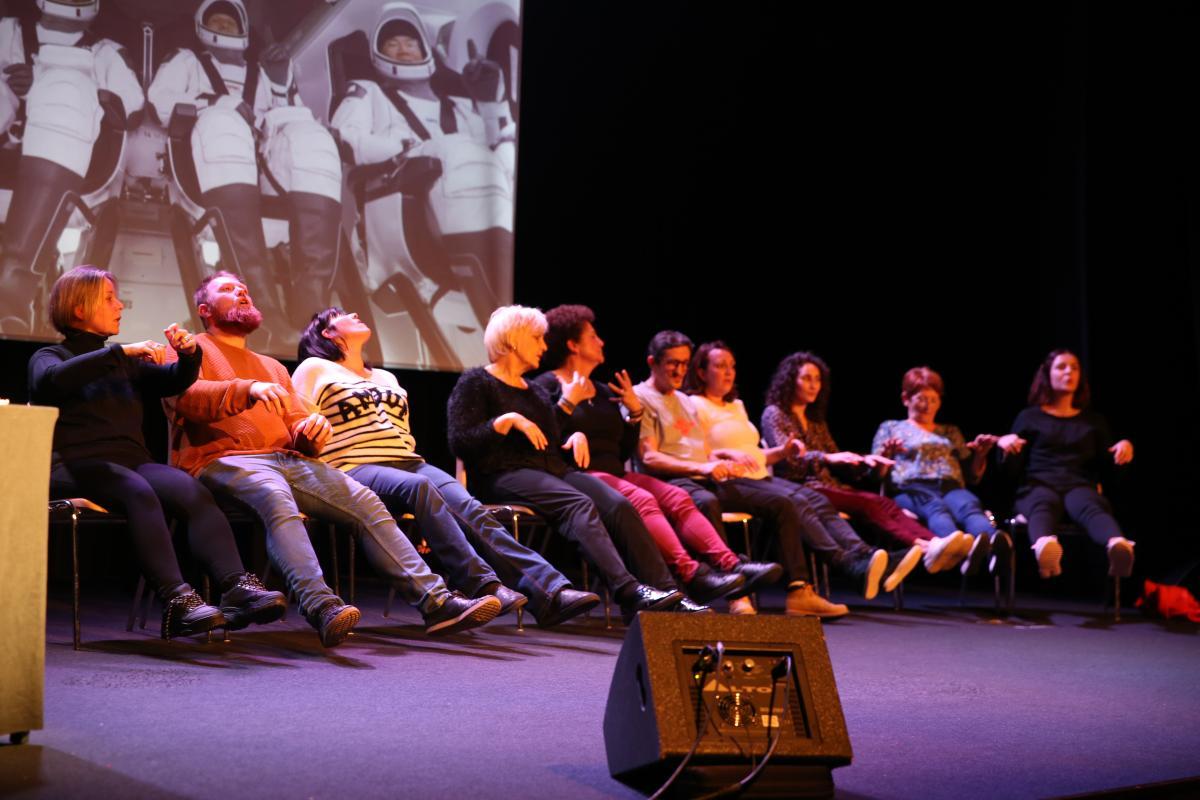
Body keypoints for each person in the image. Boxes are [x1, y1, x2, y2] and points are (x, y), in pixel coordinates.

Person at [164, 271, 500, 647]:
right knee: (276, 496)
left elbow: (296, 425)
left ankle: (436, 602)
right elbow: (186, 399)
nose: (242, 292)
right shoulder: (188, 350)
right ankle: (321, 605)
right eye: (228, 289)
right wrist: (247, 389)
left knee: (365, 501)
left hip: (288, 459)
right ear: (205, 309)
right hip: (225, 459)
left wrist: (311, 433)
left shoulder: (273, 367)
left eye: (244, 288)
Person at [291, 307, 600, 628]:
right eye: (342, 314)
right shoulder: (314, 369)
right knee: (420, 488)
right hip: (354, 465)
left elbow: (400, 434)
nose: (355, 313)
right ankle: (483, 584)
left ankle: (549, 592)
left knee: (470, 508)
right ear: (327, 332)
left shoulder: (385, 377)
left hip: (407, 461)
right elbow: (299, 425)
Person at [29, 265, 286, 640]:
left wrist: (188, 356)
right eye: (109, 298)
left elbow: (173, 381)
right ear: (79, 308)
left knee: (190, 489)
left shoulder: (124, 363)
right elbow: (50, 381)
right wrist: (120, 352)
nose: (120, 305)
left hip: (130, 462)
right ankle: (177, 600)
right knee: (136, 490)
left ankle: (237, 587)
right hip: (74, 464)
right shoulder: (50, 355)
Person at [447, 305, 695, 624]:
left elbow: (550, 439)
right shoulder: (477, 382)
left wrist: (573, 434)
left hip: (550, 469)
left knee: (619, 505)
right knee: (577, 503)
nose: (543, 345)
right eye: (537, 338)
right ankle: (628, 590)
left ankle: (667, 593)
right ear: (514, 340)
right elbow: (461, 441)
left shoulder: (534, 391)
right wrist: (504, 421)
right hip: (503, 472)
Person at [534, 305, 783, 614]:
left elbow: (621, 450)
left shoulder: (602, 390)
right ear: (573, 345)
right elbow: (543, 440)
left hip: (614, 472)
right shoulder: (548, 385)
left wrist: (634, 414)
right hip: (579, 474)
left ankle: (732, 564)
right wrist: (568, 407)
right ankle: (691, 572)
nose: (601, 342)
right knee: (643, 499)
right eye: (593, 336)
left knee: (678, 497)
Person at [147, 0, 344, 342]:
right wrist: (219, 104)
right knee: (224, 122)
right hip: (210, 166)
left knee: (313, 136)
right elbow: (159, 103)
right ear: (201, 27)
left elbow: (289, 120)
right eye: (217, 21)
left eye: (230, 22)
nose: (224, 26)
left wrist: (280, 84)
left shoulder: (263, 72)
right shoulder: (186, 61)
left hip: (265, 170)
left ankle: (311, 309)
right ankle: (261, 310)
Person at [632, 331, 849, 618]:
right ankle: (737, 594)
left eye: (684, 363)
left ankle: (799, 591)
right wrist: (703, 467)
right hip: (673, 481)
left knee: (782, 504)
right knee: (707, 502)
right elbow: (649, 457)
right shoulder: (641, 397)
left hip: (706, 476)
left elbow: (702, 450)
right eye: (673, 363)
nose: (679, 370)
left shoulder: (684, 401)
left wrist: (722, 459)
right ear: (653, 362)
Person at [683, 341, 919, 601]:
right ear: (702, 372)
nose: (729, 372)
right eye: (720, 366)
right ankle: (848, 563)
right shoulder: (694, 405)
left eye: (732, 366)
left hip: (759, 476)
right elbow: (695, 452)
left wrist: (784, 451)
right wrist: (726, 454)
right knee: (795, 501)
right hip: (728, 480)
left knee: (817, 499)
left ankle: (865, 556)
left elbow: (756, 454)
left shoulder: (736, 406)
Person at [330, 2, 515, 327]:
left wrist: (491, 105)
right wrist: (400, 149)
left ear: (425, 50)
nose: (403, 49)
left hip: (471, 211)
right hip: (402, 218)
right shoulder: (369, 94)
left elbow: (500, 157)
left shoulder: (460, 107)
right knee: (460, 151)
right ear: (378, 53)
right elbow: (343, 138)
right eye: (392, 43)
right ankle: (499, 314)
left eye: (411, 42)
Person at [0, 0, 144, 335]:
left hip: (68, 164)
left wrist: (43, 83)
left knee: (68, 85)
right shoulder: (9, 33)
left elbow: (133, 108)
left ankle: (11, 297)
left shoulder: (105, 54)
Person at [760, 352, 946, 583]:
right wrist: (828, 458)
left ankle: (935, 543)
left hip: (828, 485)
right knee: (867, 505)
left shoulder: (816, 421)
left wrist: (865, 461)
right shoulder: (775, 413)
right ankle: (921, 546)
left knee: (884, 502)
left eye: (817, 380)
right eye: (807, 378)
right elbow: (788, 458)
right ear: (790, 381)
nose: (814, 385)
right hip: (799, 488)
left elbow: (838, 457)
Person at [996, 349, 1135, 579]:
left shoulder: (1093, 421)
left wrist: (1122, 452)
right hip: (1038, 484)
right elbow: (1009, 472)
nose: (1069, 371)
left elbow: (1109, 473)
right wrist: (1007, 448)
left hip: (1079, 484)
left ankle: (1118, 545)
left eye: (1074, 367)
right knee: (1042, 502)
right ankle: (1045, 546)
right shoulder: (1029, 417)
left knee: (1089, 505)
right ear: (1047, 374)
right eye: (1061, 367)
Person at [872, 366, 1011, 577]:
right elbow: (876, 475)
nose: (928, 405)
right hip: (912, 489)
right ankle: (963, 551)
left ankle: (994, 547)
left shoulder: (950, 431)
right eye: (921, 399)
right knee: (936, 508)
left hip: (950, 486)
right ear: (906, 399)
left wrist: (980, 455)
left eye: (933, 400)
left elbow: (973, 476)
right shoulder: (891, 427)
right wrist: (886, 454)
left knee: (969, 506)